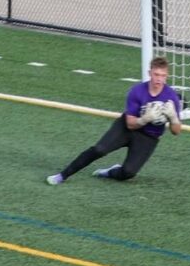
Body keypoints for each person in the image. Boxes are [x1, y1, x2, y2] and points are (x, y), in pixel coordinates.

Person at [47, 56, 182, 184]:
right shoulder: (137, 91)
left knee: (129, 172)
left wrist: (174, 118)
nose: (159, 79)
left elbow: (176, 132)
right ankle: (62, 175)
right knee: (99, 149)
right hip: (126, 128)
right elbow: (130, 124)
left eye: (163, 75)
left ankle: (110, 172)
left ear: (167, 76)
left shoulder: (171, 97)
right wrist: (146, 118)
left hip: (149, 137)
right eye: (156, 75)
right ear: (149, 73)